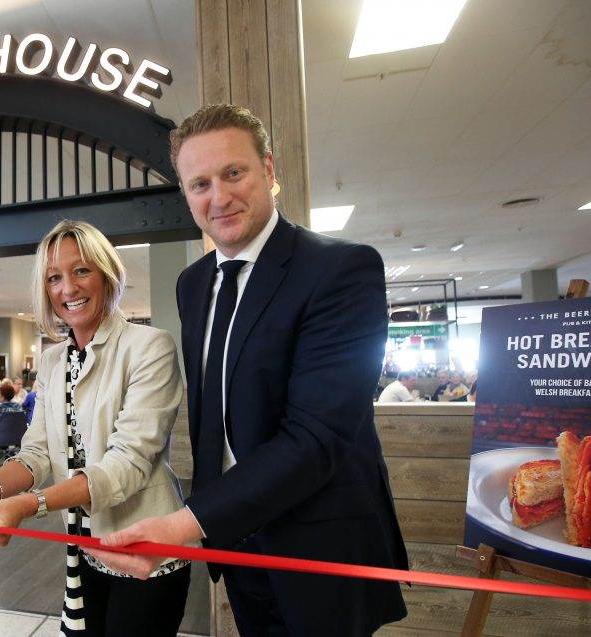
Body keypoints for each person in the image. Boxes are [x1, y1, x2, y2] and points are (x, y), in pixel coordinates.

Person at [92, 104, 408, 636]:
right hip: (235, 536)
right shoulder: (193, 285)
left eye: (233, 173)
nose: (218, 197)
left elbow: (318, 435)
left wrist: (182, 525)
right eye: (199, 184)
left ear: (268, 169)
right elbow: (215, 412)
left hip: (321, 543)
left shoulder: (340, 269)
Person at [0, 220, 191, 635]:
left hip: (144, 547)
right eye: (54, 278)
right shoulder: (51, 361)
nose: (68, 289)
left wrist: (29, 504)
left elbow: (127, 464)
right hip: (81, 546)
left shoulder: (150, 347)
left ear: (107, 274)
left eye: (81, 270)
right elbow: (38, 453)